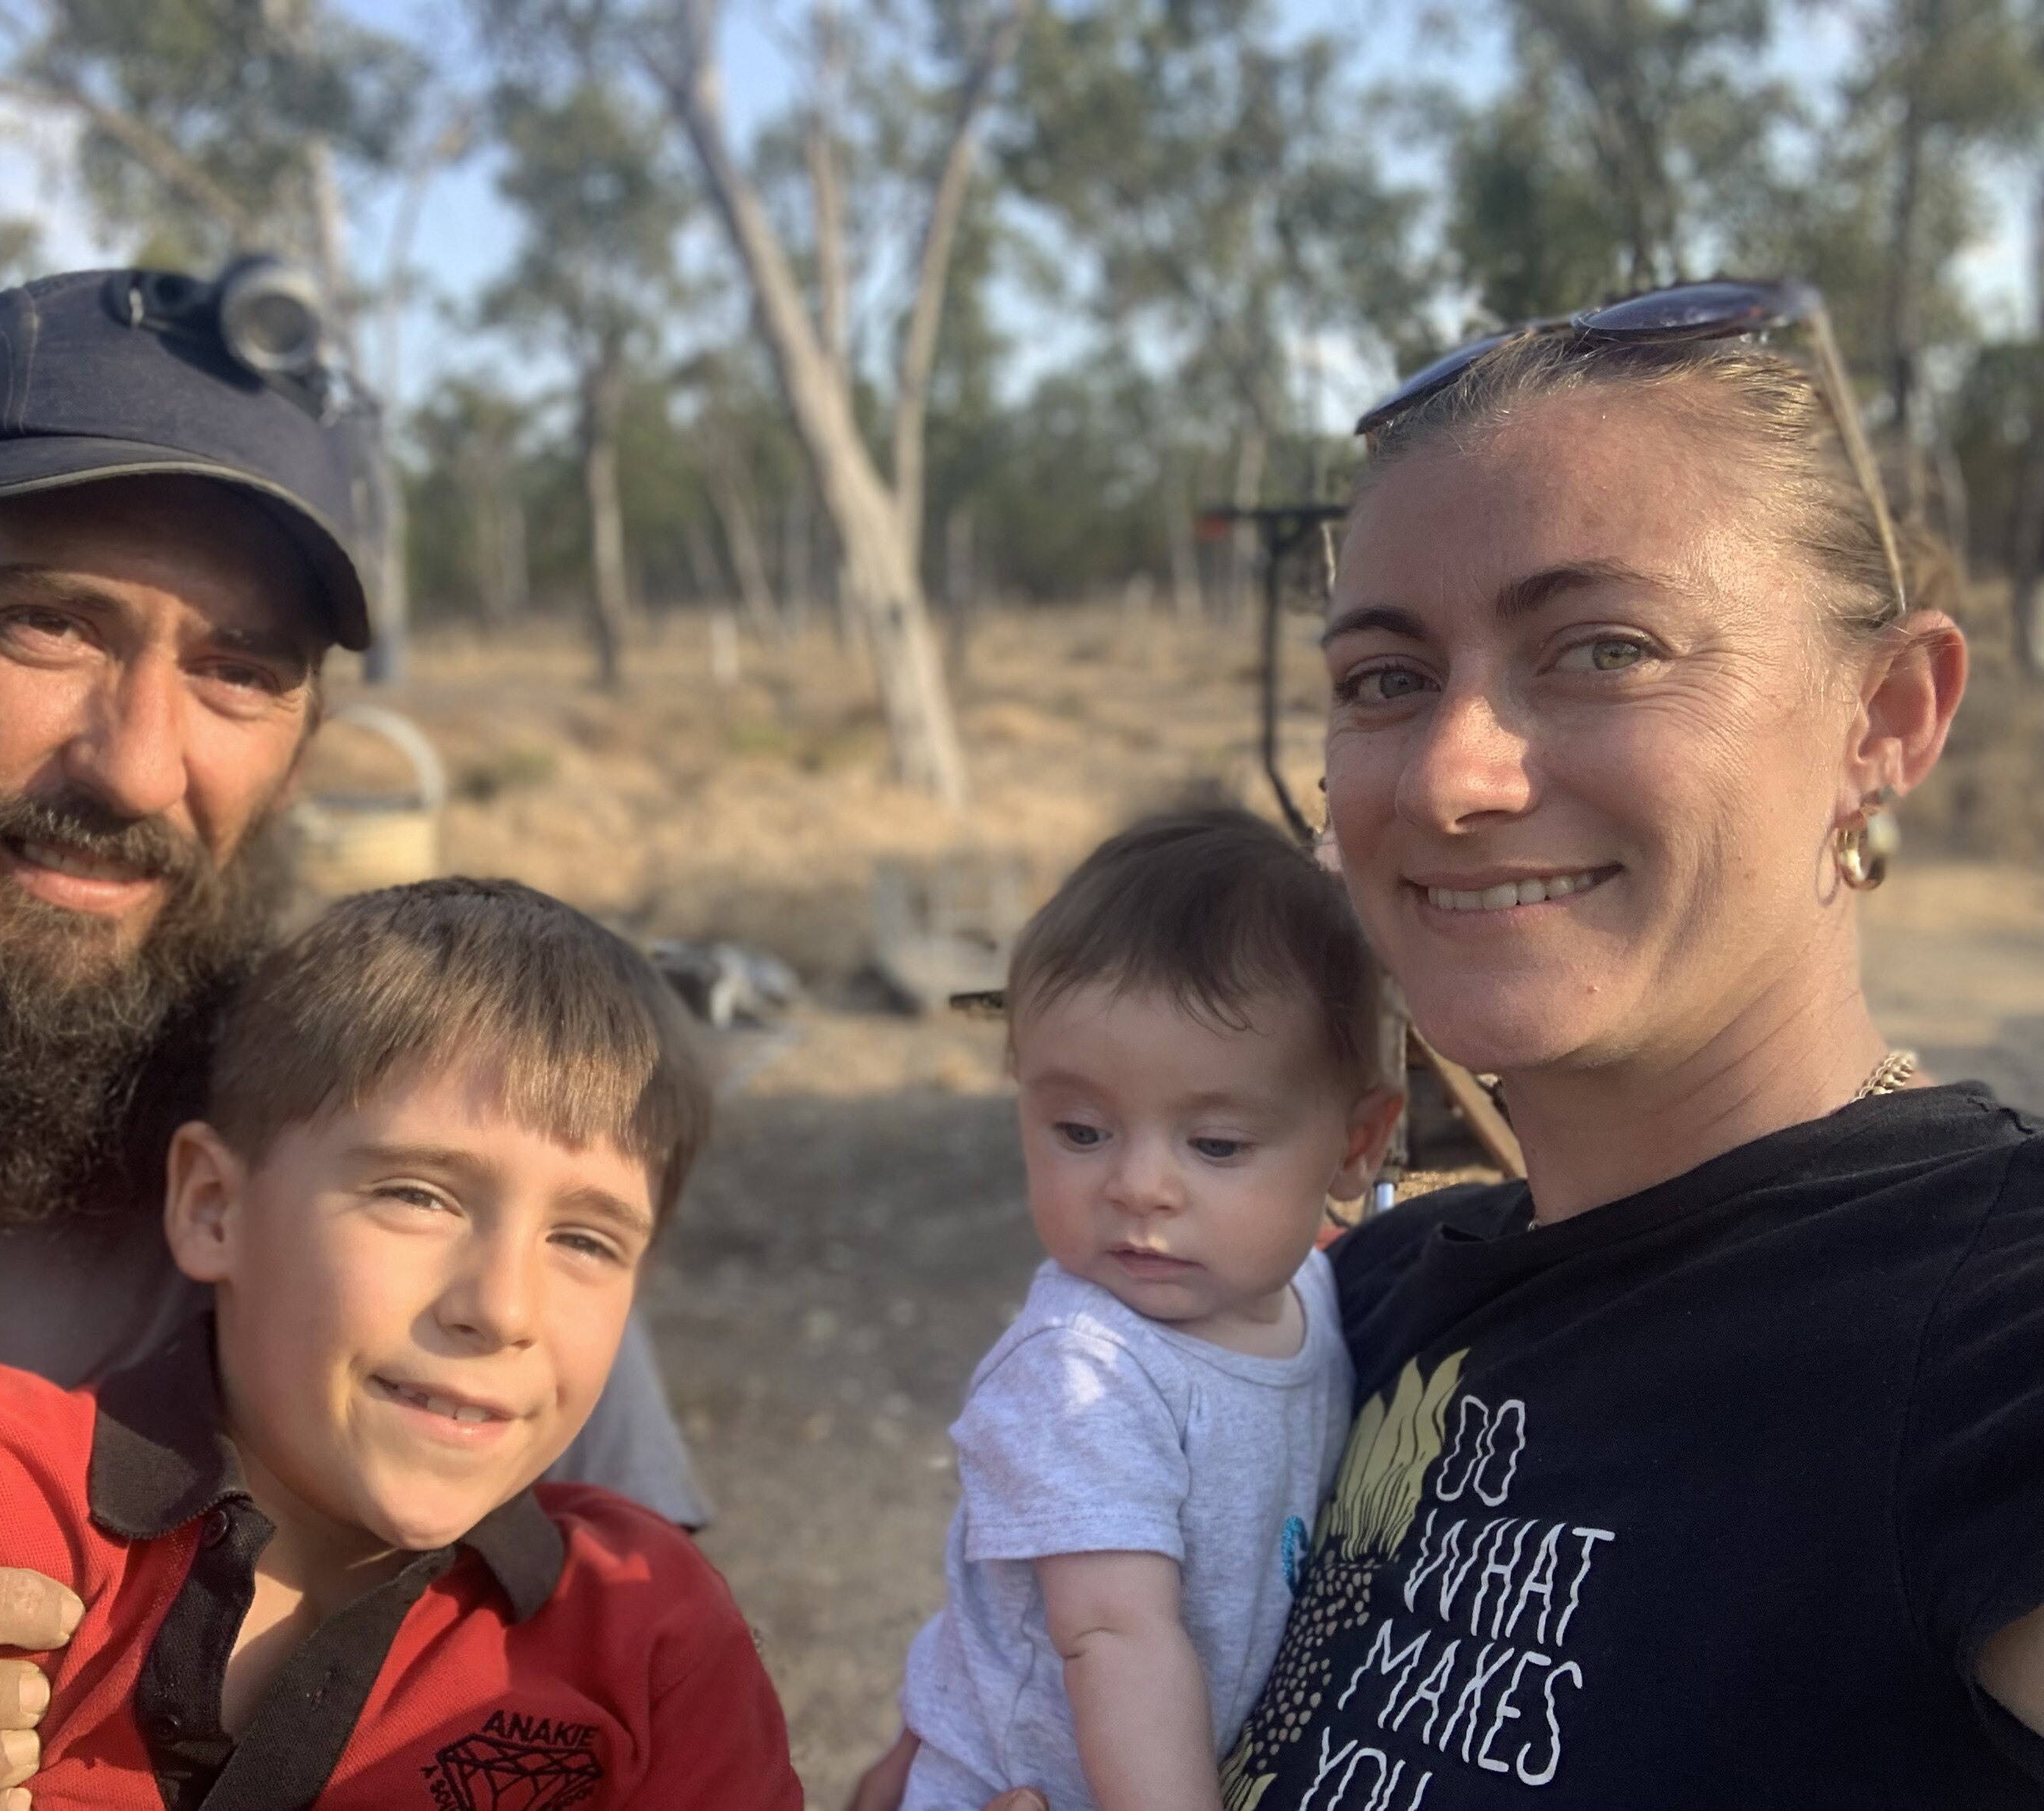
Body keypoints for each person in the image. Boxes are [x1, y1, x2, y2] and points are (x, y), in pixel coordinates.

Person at [855, 278, 2044, 1811]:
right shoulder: (1341, 1300)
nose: (1447, 777)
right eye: (1383, 680)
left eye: (1599, 649)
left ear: (1881, 718)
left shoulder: (1990, 1324)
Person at [0, 266, 703, 1811]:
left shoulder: (459, 1209)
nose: (135, 766)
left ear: (304, 742)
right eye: (48, 622)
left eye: (238, 671)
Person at [0, 877, 804, 1811]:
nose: (501, 1307)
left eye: (588, 1240)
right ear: (211, 1207)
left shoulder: (648, 1633)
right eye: (417, 1195)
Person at [895, 810, 1400, 1811]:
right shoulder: (1082, 1371)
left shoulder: (1309, 1290)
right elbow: (1113, 1635)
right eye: (1081, 1130)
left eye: (1214, 1145)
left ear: (1355, 1146)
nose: (1138, 1186)